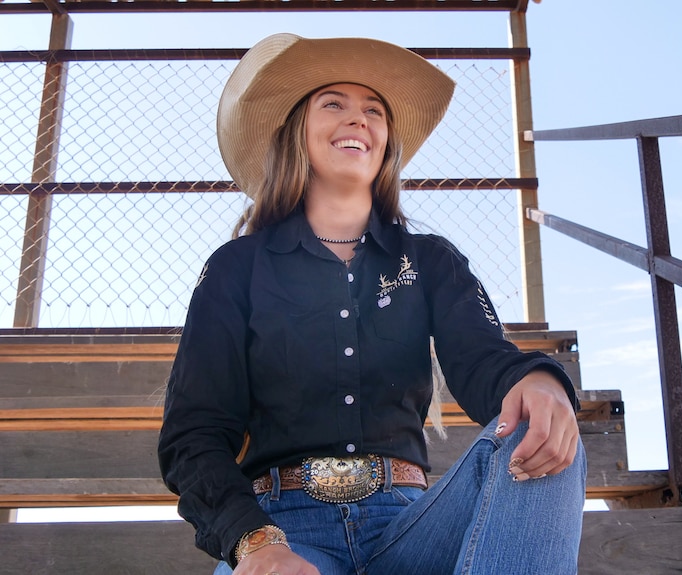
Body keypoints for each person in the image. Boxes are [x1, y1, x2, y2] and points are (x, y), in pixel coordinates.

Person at [158, 33, 586, 575]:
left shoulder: (430, 260)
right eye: (333, 103)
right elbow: (194, 434)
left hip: (412, 525)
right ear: (297, 133)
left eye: (374, 111)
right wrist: (256, 543)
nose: (358, 119)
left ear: (386, 142)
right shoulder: (236, 268)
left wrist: (539, 382)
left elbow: (484, 361)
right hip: (284, 531)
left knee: (544, 429)